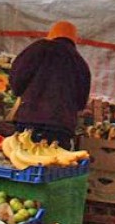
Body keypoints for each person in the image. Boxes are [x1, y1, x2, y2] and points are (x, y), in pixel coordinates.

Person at [10, 20, 91, 149]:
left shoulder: (38, 48)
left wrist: (20, 93)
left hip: (30, 118)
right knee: (53, 164)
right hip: (61, 126)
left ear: (52, 34)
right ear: (74, 39)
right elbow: (81, 102)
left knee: (24, 161)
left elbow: (17, 77)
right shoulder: (80, 62)